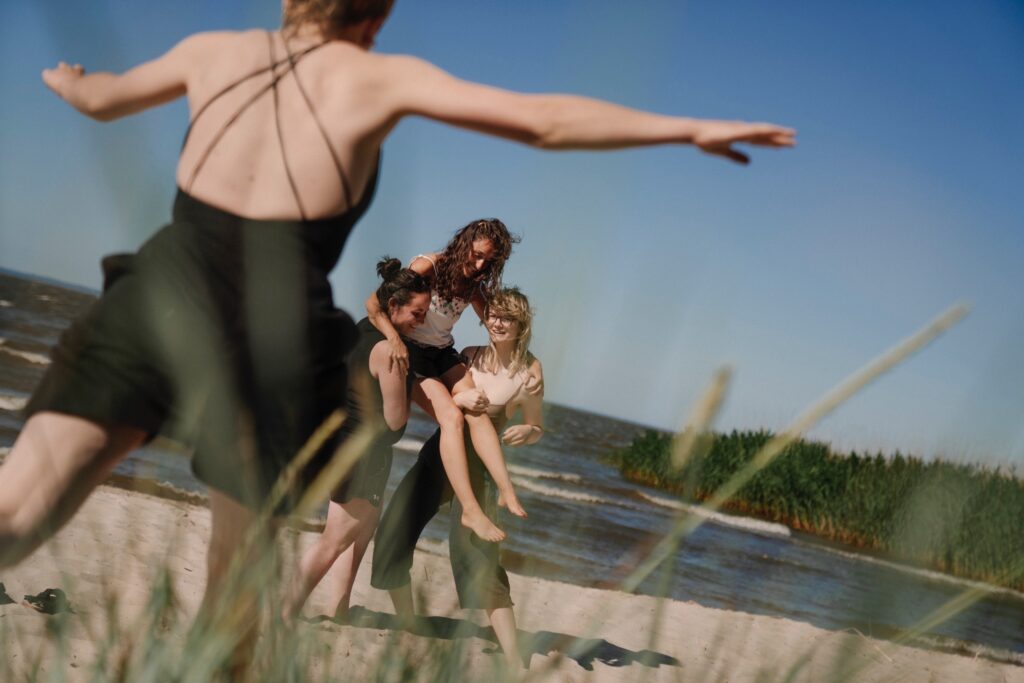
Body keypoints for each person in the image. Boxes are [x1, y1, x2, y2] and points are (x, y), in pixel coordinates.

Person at [0, 0, 794, 632]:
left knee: (20, 508)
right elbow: (542, 119)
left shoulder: (213, 49)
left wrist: (68, 80)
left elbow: (97, 97)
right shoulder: (376, 79)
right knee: (234, 590)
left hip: (163, 289)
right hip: (273, 333)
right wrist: (687, 127)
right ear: (376, 21)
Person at [371, 287, 543, 671]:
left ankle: (514, 655)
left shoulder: (531, 370)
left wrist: (528, 432)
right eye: (493, 315)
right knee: (394, 530)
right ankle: (408, 621)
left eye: (506, 318)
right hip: (441, 454)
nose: (497, 323)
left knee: (478, 557)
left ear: (521, 324)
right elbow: (442, 399)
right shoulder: (466, 356)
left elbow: (535, 423)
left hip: (479, 466)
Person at [282, 257, 428, 624]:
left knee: (359, 535)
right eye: (417, 313)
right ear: (393, 306)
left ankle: (339, 609)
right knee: (334, 540)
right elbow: (395, 424)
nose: (421, 321)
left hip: (342, 445)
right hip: (365, 454)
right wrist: (411, 382)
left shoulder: (361, 330)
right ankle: (282, 611)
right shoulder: (391, 353)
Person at [366, 219, 528, 545]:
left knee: (477, 414)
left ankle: (506, 490)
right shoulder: (428, 266)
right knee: (453, 417)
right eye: (477, 256)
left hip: (441, 353)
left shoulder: (474, 286)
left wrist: (525, 365)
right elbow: (374, 305)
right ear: (463, 244)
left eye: (489, 261)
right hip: (414, 353)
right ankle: (469, 509)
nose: (480, 265)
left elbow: (497, 325)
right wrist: (393, 342)